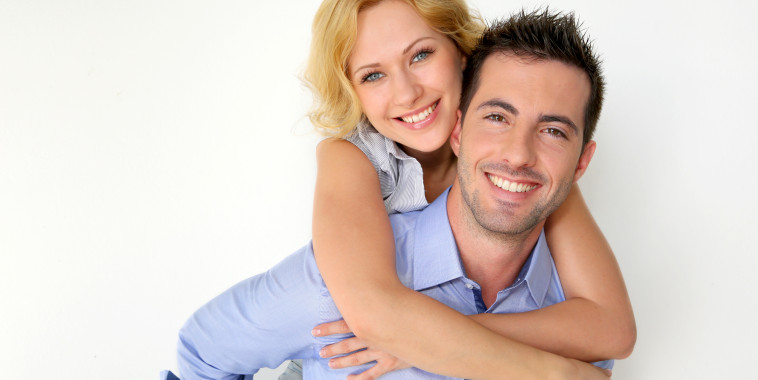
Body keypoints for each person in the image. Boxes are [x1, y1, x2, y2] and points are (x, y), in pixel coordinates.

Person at [163, 8, 629, 380]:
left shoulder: (536, 182)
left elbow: (613, 329)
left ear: (462, 58)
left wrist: (435, 341)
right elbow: (373, 314)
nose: (407, 92)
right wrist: (548, 372)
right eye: (373, 75)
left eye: (421, 55)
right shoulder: (353, 162)